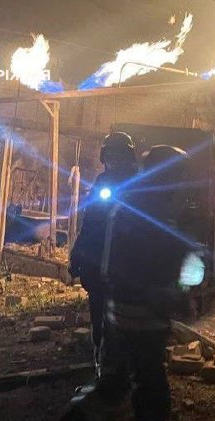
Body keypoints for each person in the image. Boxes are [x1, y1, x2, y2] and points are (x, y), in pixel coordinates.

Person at [38, 144, 205, 421]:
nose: (184, 188)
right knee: (151, 391)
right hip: (140, 318)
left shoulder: (137, 206)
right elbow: (136, 267)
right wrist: (168, 294)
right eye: (180, 179)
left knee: (115, 385)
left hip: (125, 314)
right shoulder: (147, 214)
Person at [68, 132, 138, 373]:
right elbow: (91, 221)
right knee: (97, 307)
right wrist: (78, 253)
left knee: (122, 316)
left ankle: (121, 363)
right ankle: (100, 356)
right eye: (110, 155)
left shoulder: (137, 184)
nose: (113, 160)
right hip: (99, 259)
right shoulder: (102, 182)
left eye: (118, 155)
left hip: (125, 262)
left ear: (128, 157)